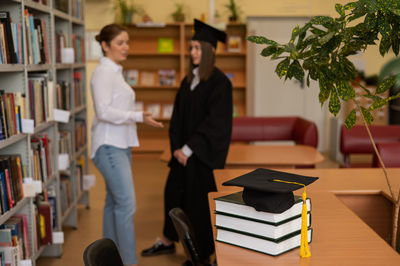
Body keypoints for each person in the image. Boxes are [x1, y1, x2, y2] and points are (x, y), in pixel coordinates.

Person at [141, 19, 233, 263]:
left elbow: (215, 124)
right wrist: (177, 150)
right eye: (191, 48)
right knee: (172, 194)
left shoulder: (220, 83)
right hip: (182, 155)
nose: (192, 52)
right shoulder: (188, 80)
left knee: (198, 206)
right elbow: (178, 118)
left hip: (202, 157)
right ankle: (168, 240)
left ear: (209, 51)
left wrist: (189, 149)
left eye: (197, 48)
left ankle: (201, 255)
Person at [91, 23, 163, 266]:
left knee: (114, 204)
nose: (126, 47)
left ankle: (107, 260)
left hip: (119, 145)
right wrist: (136, 116)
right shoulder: (103, 72)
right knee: (127, 205)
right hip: (109, 146)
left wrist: (137, 116)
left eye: (127, 42)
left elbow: (115, 108)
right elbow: (102, 111)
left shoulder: (115, 71)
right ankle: (129, 263)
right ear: (105, 45)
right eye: (120, 42)